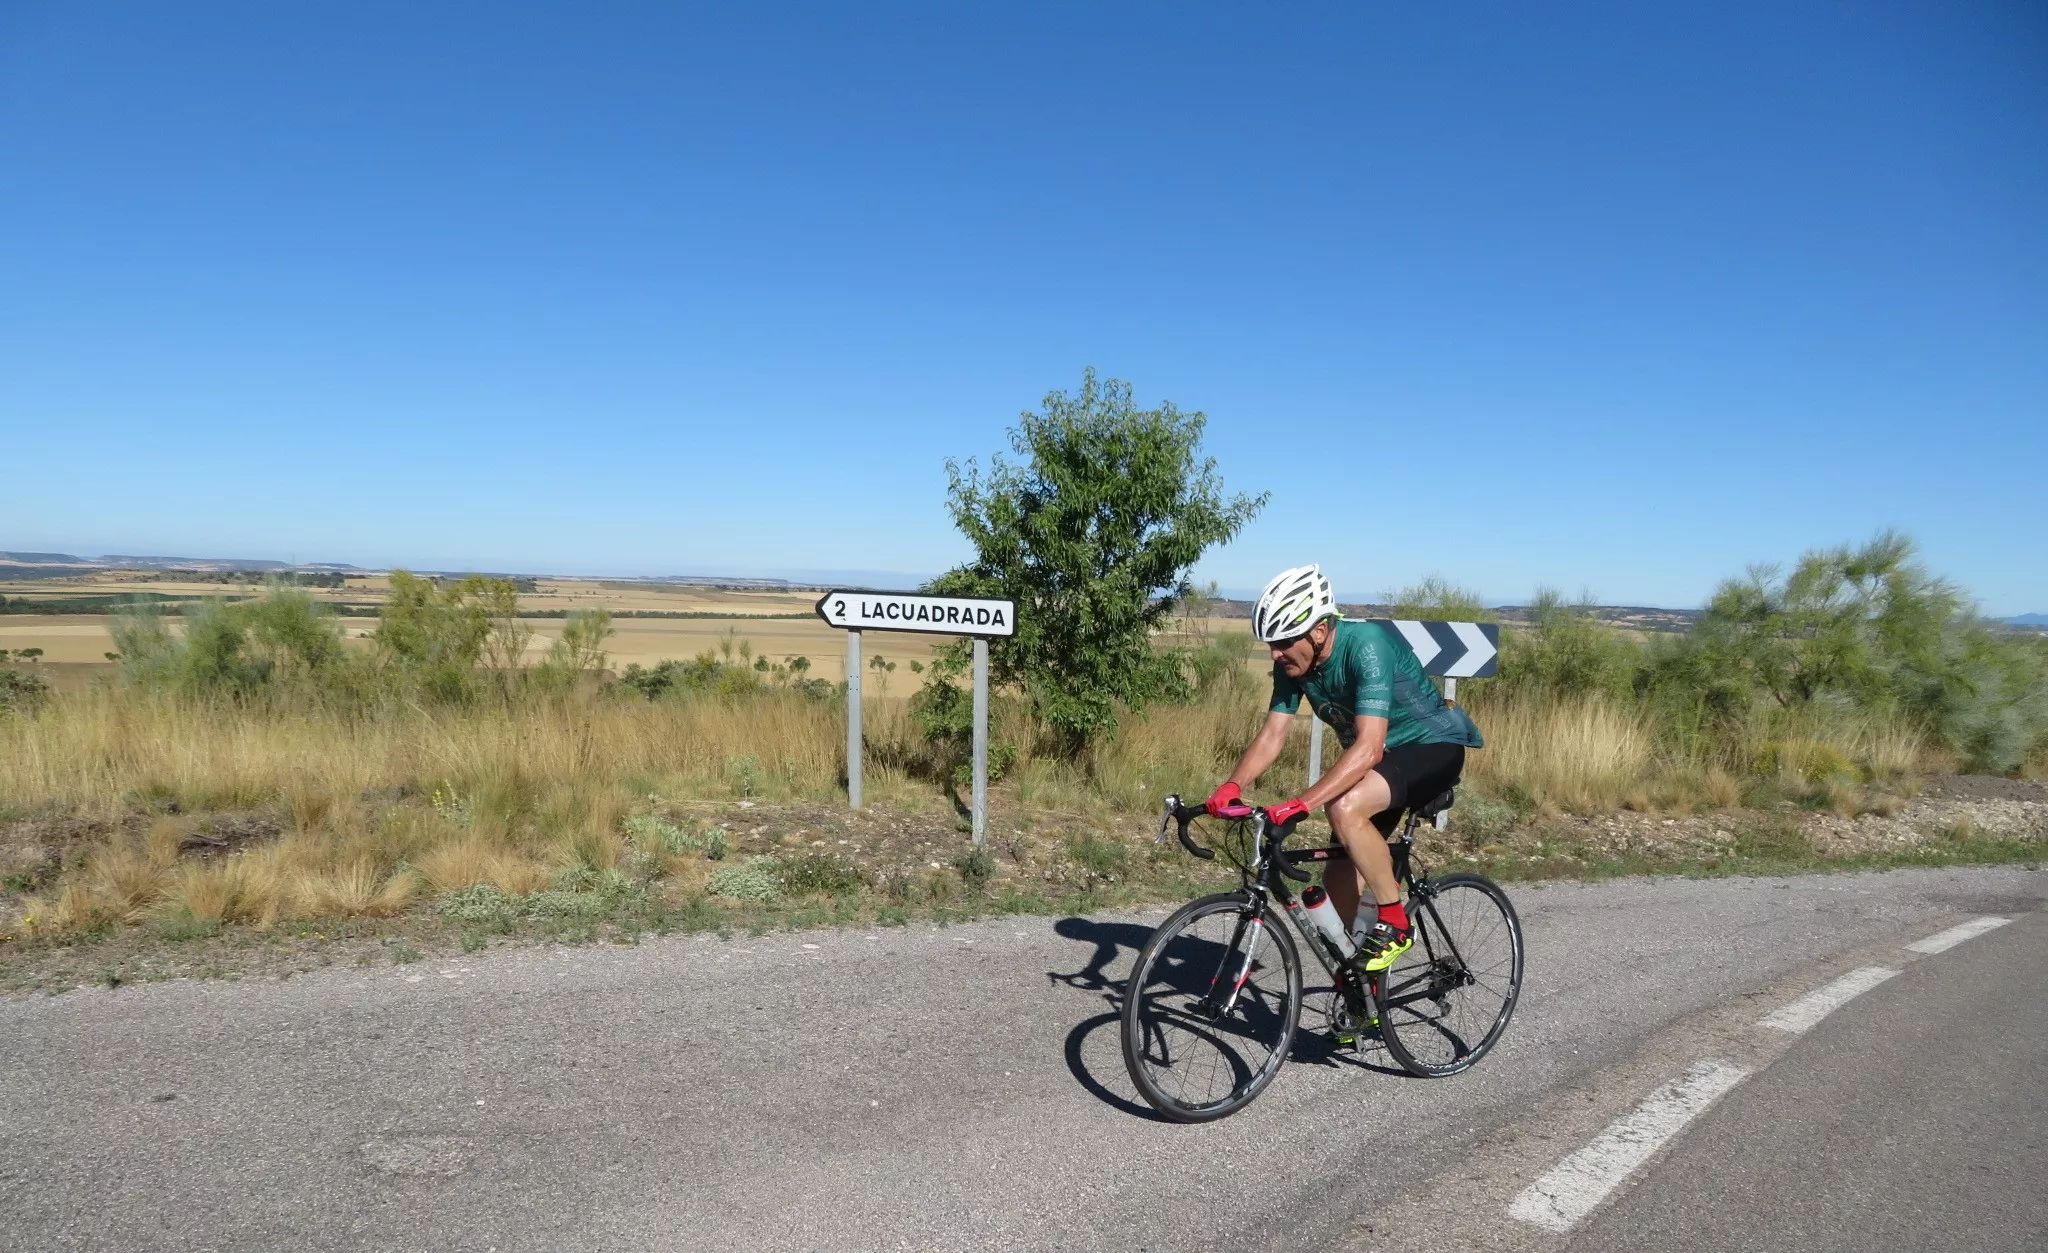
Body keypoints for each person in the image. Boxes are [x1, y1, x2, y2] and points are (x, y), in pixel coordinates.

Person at [1205, 564, 1483, 978]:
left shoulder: (1366, 646)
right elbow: (1273, 735)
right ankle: (1360, 989)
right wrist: (1232, 785)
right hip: (1381, 762)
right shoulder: (1293, 665)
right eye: (1271, 644)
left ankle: (1396, 922)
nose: (1276, 654)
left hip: (1432, 746)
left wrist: (1302, 803)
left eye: (1284, 641)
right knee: (1336, 892)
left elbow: (1368, 747)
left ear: (1319, 631)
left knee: (1344, 807)